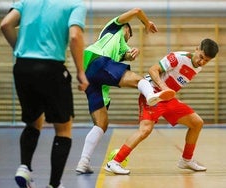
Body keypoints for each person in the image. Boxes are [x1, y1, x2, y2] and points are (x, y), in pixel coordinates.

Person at [75, 8, 175, 174]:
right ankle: (151, 96)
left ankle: (83, 162)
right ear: (127, 29)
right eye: (129, 36)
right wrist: (146, 22)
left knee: (101, 124)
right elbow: (137, 10)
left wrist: (130, 54)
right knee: (140, 80)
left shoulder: (118, 50)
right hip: (98, 63)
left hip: (92, 78)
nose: (128, 40)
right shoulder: (114, 27)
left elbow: (125, 55)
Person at [0, 0, 89, 187]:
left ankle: (24, 167)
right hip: (51, 68)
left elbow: (6, 24)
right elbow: (74, 36)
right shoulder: (74, 5)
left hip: (23, 67)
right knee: (63, 128)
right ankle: (54, 184)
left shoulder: (27, 2)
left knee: (33, 120)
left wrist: (19, 49)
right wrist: (81, 72)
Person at [104, 38, 219, 175]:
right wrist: (163, 88)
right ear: (196, 49)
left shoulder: (198, 67)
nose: (202, 62)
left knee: (197, 123)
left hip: (168, 99)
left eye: (206, 60)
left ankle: (186, 160)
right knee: (145, 130)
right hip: (152, 94)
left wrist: (169, 94)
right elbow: (153, 70)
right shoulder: (177, 57)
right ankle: (114, 162)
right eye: (201, 57)